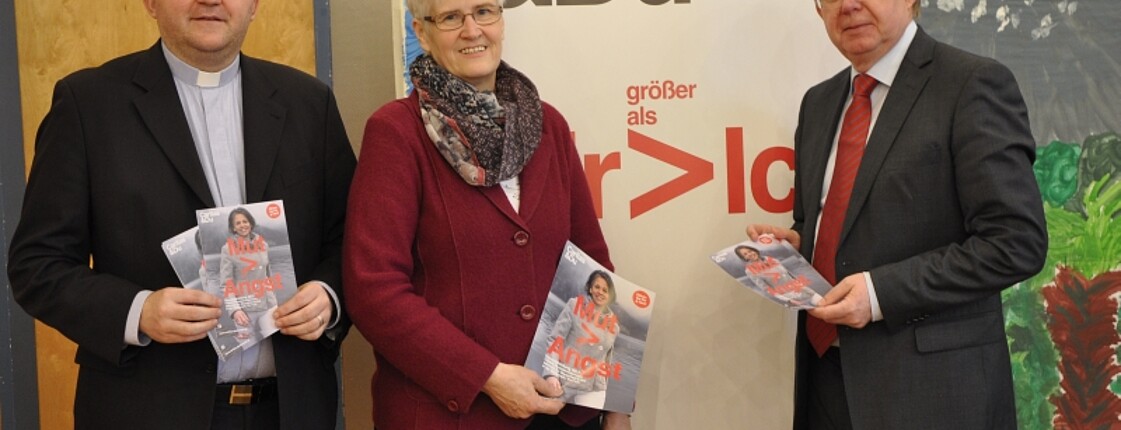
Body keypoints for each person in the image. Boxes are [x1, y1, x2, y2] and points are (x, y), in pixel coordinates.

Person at [6, 0, 356, 428]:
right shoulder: (88, 103)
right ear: (151, 3)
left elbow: (352, 243)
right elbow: (37, 265)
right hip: (147, 410)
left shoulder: (309, 102)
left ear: (255, 6)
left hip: (292, 411)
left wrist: (329, 295)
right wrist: (138, 310)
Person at [746, 0, 1047, 428]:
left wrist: (879, 294)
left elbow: (1016, 243)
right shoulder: (818, 103)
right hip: (824, 381)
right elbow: (839, 223)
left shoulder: (971, 84)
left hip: (932, 393)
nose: (848, 5)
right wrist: (799, 245)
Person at [342, 0, 630, 428]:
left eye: (484, 12)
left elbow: (594, 270)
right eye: (451, 17)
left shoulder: (547, 125)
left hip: (563, 412)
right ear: (422, 33)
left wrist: (613, 405)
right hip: (452, 414)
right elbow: (374, 290)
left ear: (501, 20)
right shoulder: (396, 133)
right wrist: (487, 377)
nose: (472, 30)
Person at [542, 270, 619, 408]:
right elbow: (555, 340)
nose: (600, 292)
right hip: (565, 380)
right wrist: (551, 374)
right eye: (597, 287)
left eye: (605, 290)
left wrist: (603, 388)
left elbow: (606, 360)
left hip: (594, 388)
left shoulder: (614, 327)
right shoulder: (574, 305)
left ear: (610, 295)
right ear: (590, 288)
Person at [219, 208, 278, 342]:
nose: (242, 225)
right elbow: (226, 284)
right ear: (233, 228)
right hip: (245, 311)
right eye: (238, 223)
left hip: (267, 306)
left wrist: (274, 304)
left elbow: (267, 275)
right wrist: (235, 311)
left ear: (250, 223)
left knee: (273, 346)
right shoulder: (227, 249)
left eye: (245, 221)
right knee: (247, 350)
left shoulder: (263, 244)